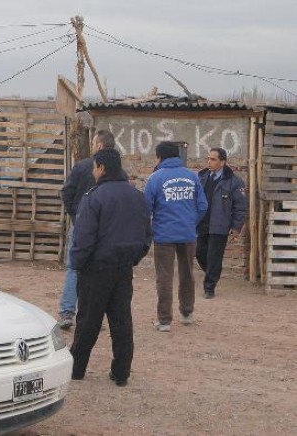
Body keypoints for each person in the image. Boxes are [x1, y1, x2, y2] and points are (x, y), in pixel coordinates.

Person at [69, 148, 151, 386]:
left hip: (96, 270)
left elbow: (83, 238)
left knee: (88, 321)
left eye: (95, 167)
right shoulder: (137, 196)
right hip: (123, 270)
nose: (93, 172)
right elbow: (147, 235)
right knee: (121, 322)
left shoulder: (93, 197)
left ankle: (77, 369)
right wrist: (133, 258)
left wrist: (77, 264)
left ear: (102, 168)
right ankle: (121, 372)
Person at [58, 129, 119, 329]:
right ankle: (94, 316)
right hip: (105, 231)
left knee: (74, 267)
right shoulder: (119, 171)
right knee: (98, 271)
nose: (92, 146)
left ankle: (67, 313)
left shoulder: (82, 166)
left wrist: (75, 215)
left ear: (99, 145)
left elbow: (67, 192)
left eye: (94, 143)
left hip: (81, 226)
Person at [144, 141, 208, 332]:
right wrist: (190, 222)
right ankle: (187, 313)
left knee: (164, 277)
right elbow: (203, 205)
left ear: (159, 157)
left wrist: (151, 227)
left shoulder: (155, 178)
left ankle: (164, 321)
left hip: (164, 235)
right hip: (188, 234)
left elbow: (146, 208)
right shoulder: (192, 176)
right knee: (187, 273)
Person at [196, 147, 247, 299]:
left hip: (220, 225)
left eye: (213, 159)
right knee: (200, 254)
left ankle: (209, 287)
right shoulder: (202, 177)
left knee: (214, 257)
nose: (209, 162)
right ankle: (213, 273)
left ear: (223, 162)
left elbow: (240, 206)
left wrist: (236, 226)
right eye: (208, 159)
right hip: (202, 223)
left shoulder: (234, 182)